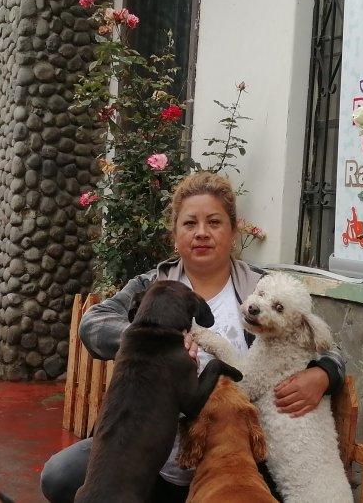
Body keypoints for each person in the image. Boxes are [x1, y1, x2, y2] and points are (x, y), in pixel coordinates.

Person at [40, 171, 345, 503]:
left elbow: (325, 345)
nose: (202, 233)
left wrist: (323, 374)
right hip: (148, 449)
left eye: (214, 222)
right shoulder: (152, 284)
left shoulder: (262, 288)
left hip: (234, 452)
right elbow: (94, 323)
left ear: (233, 231)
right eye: (190, 224)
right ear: (175, 234)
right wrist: (147, 336)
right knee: (60, 476)